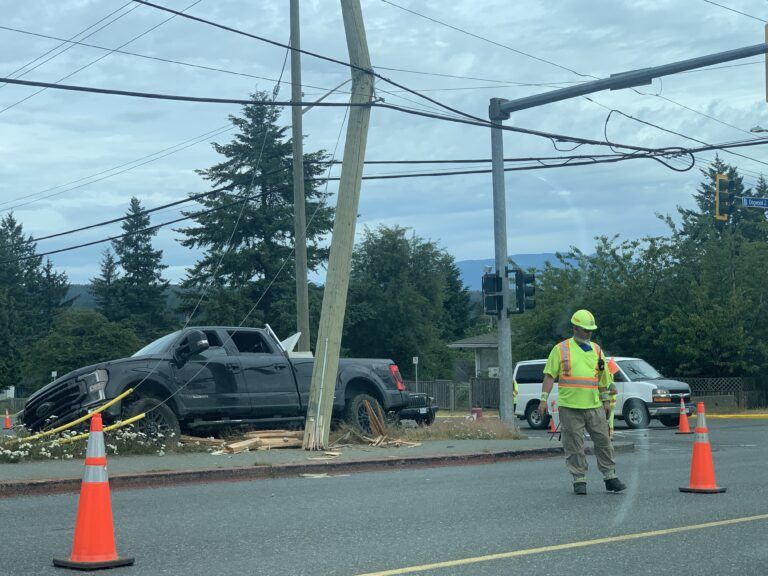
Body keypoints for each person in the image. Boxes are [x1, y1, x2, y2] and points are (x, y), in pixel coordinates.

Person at [539, 310, 626, 495]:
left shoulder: (596, 350)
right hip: (570, 406)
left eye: (590, 330)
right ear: (575, 328)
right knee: (574, 445)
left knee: (603, 441)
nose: (589, 333)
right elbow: (549, 376)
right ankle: (579, 480)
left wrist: (606, 401)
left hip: (594, 405)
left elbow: (602, 378)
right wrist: (543, 399)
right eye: (585, 330)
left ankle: (610, 477)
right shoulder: (561, 349)